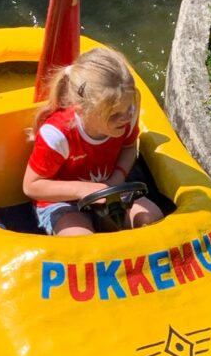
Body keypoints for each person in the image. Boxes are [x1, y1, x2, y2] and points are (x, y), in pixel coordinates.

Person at [23, 48, 164, 236]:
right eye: (114, 115)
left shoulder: (126, 113)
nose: (125, 117)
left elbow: (129, 147)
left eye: (129, 107)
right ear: (82, 110)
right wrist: (84, 190)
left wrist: (116, 180)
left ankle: (110, 227)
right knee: (82, 241)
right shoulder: (58, 135)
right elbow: (31, 186)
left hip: (111, 187)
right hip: (62, 201)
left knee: (151, 220)